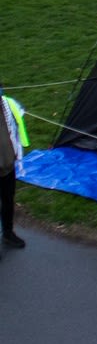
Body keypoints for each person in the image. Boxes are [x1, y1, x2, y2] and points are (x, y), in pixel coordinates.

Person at [2, 81, 26, 249]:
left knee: (8, 200)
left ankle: (8, 233)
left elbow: (15, 128)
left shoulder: (7, 105)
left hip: (7, 164)